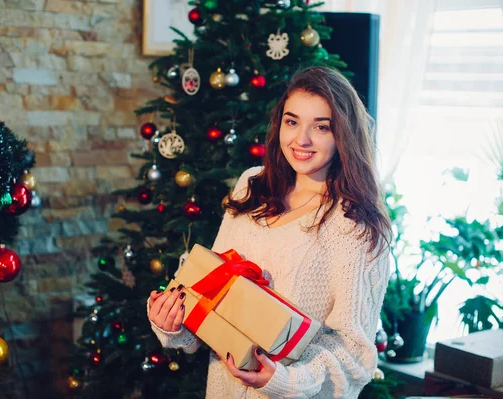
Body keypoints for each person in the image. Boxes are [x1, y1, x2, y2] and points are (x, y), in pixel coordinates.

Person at [147, 66, 391, 399]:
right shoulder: (251, 186)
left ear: (343, 135)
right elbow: (208, 302)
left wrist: (284, 380)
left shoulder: (354, 224)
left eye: (321, 127)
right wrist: (172, 326)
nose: (301, 140)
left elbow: (355, 356)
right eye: (292, 122)